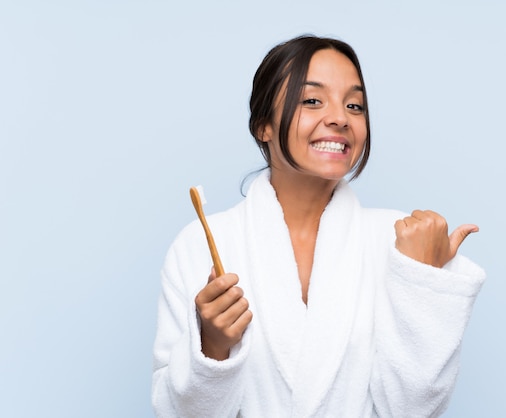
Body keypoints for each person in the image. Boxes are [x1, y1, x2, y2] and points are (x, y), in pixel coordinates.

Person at [152, 35, 486, 417]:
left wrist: (422, 281)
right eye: (312, 100)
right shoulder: (203, 243)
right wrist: (211, 346)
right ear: (263, 126)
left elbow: (414, 409)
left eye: (354, 105)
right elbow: (178, 413)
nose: (340, 118)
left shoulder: (401, 243)